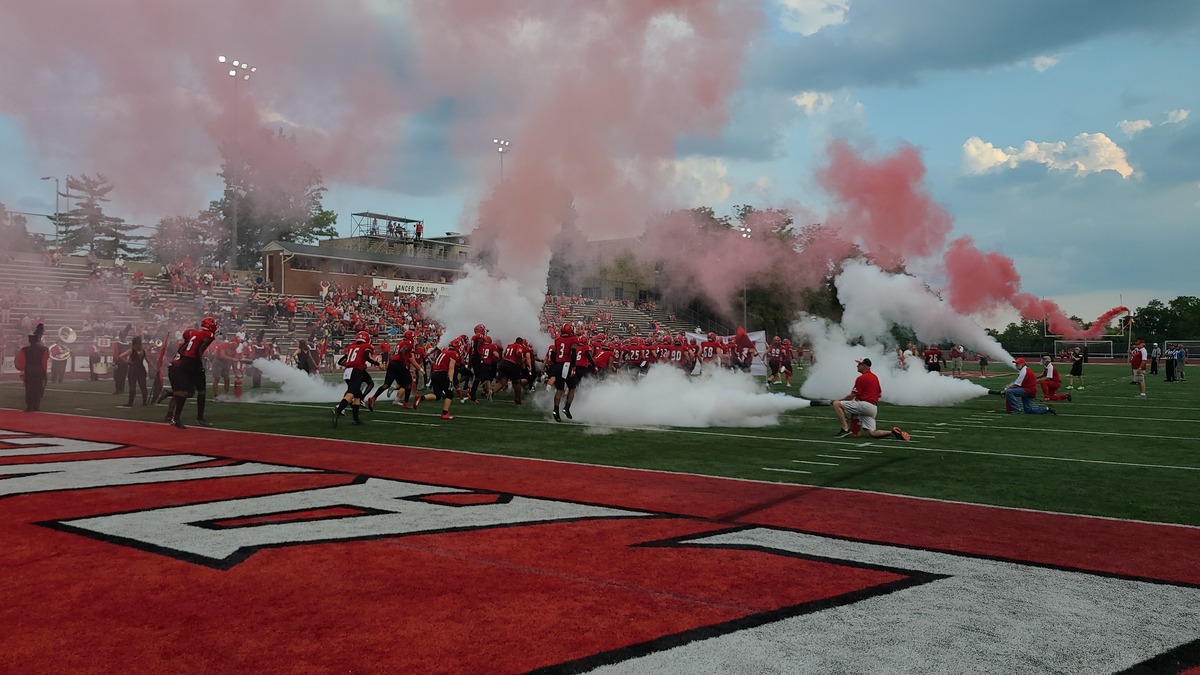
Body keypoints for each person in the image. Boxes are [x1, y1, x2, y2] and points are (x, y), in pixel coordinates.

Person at [832, 358, 911, 440]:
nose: (857, 366)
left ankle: (845, 429)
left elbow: (851, 396)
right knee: (872, 433)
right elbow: (879, 394)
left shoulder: (861, 378)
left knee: (836, 404)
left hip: (864, 406)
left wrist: (839, 400)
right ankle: (893, 433)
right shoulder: (874, 377)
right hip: (873, 408)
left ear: (865, 366)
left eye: (859, 364)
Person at [333, 331, 379, 426]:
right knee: (352, 393)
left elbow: (343, 360)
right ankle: (339, 409)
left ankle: (356, 419)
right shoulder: (365, 347)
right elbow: (367, 356)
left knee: (357, 396)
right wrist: (378, 363)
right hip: (356, 371)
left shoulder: (352, 347)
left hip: (348, 372)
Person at [414, 335, 460, 420]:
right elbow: (451, 368)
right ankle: (445, 413)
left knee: (437, 395)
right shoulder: (453, 353)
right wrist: (450, 380)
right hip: (442, 374)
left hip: (435, 374)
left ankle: (421, 397)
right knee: (450, 394)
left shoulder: (444, 351)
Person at [16, 325, 49, 412]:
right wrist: (45, 373)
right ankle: (36, 406)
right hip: (39, 372)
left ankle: (29, 406)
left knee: (29, 389)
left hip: (29, 372)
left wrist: (22, 371)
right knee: (38, 389)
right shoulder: (43, 349)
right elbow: (44, 363)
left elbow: (22, 363)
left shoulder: (24, 350)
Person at [118, 336, 149, 407]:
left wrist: (128, 362)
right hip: (140, 370)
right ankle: (144, 403)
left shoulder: (131, 350)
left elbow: (121, 356)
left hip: (133, 370)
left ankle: (131, 403)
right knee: (143, 386)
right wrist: (155, 368)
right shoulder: (143, 351)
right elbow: (149, 361)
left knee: (133, 387)